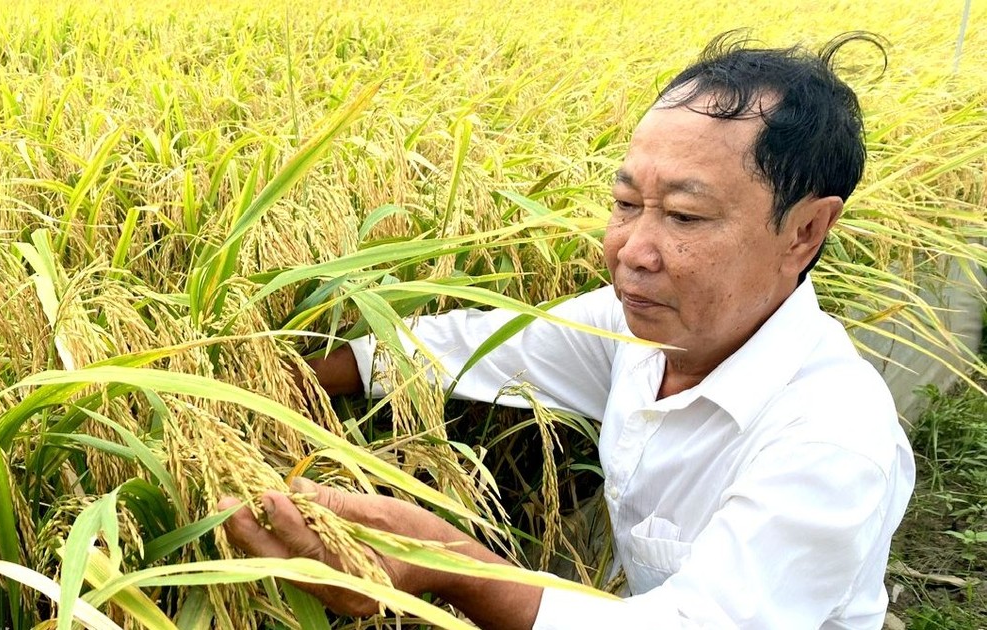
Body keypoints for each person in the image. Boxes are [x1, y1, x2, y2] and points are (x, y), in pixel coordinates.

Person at [218, 32, 915, 630]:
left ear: (805, 231)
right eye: (625, 203)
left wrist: (448, 562)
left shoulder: (831, 437)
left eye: (685, 217)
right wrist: (233, 388)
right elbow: (447, 350)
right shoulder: (634, 332)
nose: (631, 250)